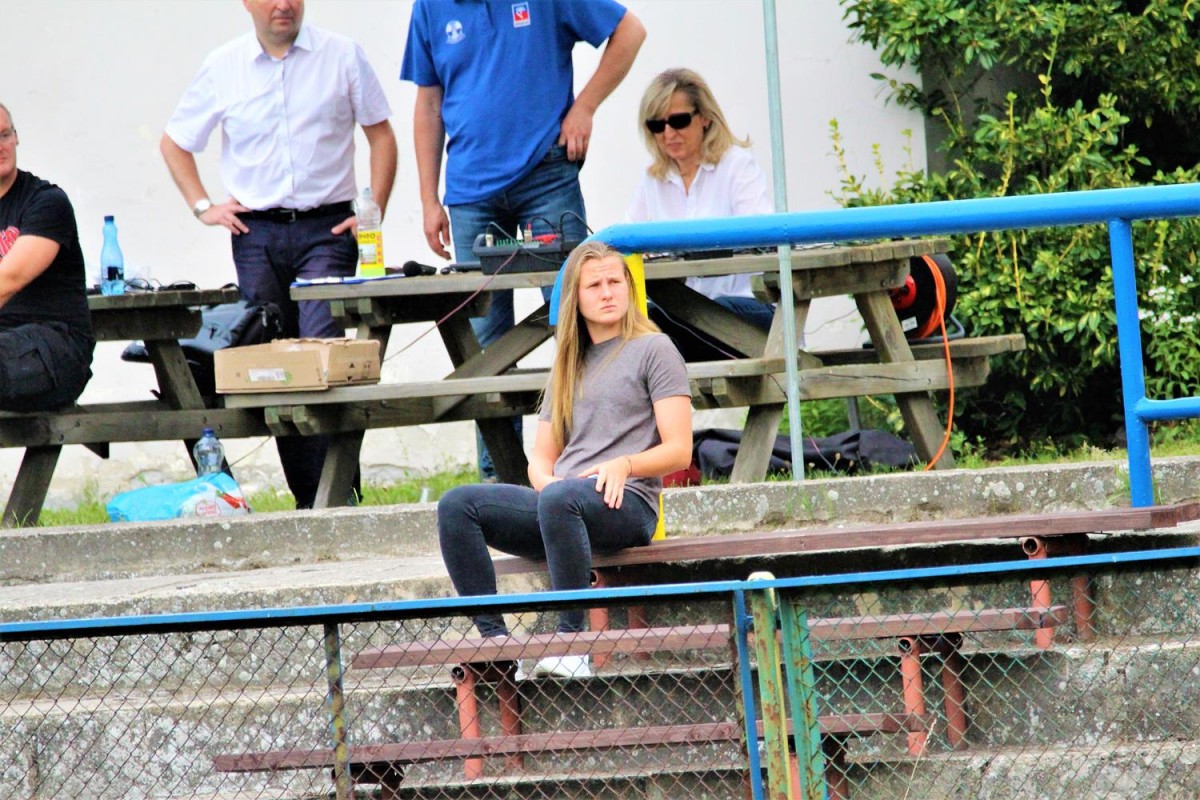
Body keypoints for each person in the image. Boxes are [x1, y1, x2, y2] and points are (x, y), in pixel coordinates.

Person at [160, 0, 398, 509]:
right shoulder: (223, 65)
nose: (283, 5)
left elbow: (381, 135)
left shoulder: (342, 55)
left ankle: (337, 497)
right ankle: (308, 498)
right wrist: (204, 207)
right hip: (256, 234)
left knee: (320, 358)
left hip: (327, 229)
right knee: (274, 367)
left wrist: (372, 210)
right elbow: (175, 142)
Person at [401, 0, 646, 480]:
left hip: (547, 175)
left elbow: (630, 32)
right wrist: (428, 198)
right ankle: (501, 478)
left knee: (582, 320)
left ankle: (589, 466)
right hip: (470, 192)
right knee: (486, 345)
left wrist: (585, 107)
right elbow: (428, 104)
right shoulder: (428, 6)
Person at [437, 241, 691, 679]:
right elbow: (541, 460)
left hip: (627, 503)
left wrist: (624, 465)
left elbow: (679, 449)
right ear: (575, 297)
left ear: (629, 288)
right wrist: (546, 483)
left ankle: (571, 647)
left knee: (561, 500)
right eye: (595, 285)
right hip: (564, 505)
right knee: (457, 505)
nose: (608, 293)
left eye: (615, 282)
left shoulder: (655, 348)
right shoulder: (568, 362)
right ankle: (497, 647)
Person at [626, 67, 777, 361]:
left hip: (746, 308)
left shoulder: (736, 165)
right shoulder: (652, 180)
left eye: (678, 121)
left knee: (690, 318)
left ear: (705, 117)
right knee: (633, 322)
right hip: (687, 318)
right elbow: (623, 240)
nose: (668, 133)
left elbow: (761, 237)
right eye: (657, 125)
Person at [0, 103, 94, 412]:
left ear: (16, 137)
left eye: (4, 135)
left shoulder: (46, 202)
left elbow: (9, 279)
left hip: (54, 347)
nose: (1, 146)